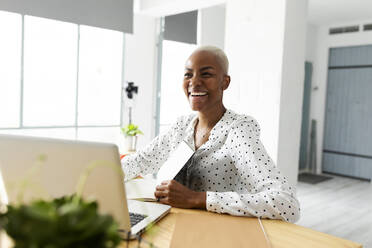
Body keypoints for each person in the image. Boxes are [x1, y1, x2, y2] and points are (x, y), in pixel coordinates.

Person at [122, 46, 300, 223]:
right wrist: (105, 170)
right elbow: (141, 161)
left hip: (220, 233)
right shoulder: (181, 126)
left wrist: (198, 198)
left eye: (206, 74)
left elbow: (287, 204)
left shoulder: (237, 130)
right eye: (188, 74)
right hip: (176, 226)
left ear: (225, 82)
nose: (194, 82)